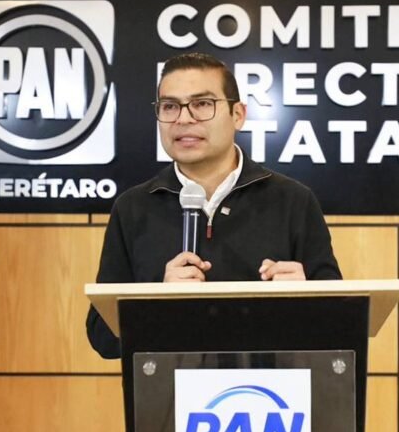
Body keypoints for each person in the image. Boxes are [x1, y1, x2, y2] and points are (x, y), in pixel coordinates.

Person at [85, 52, 341, 359]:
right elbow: (102, 336)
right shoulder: (133, 208)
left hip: (269, 387)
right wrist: (157, 305)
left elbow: (340, 325)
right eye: (170, 106)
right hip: (166, 389)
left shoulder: (293, 201)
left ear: (238, 115)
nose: (183, 119)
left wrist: (307, 300)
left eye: (202, 104)